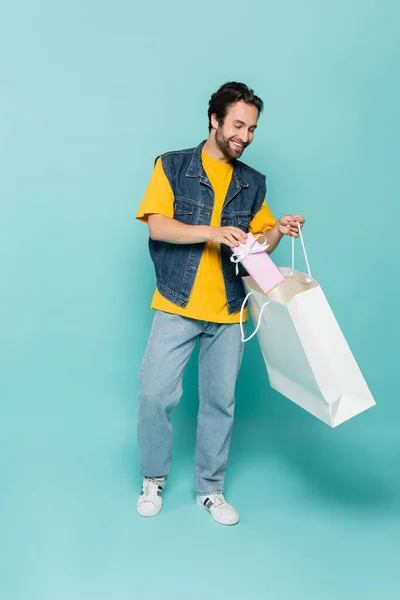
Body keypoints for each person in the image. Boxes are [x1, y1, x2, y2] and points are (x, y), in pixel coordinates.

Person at [135, 81, 305, 525]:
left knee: (219, 403)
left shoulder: (252, 182)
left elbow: (260, 243)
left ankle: (210, 489)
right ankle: (153, 477)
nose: (244, 136)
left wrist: (277, 230)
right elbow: (158, 227)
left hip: (230, 311)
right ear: (214, 119)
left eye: (251, 128)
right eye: (237, 125)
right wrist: (211, 232)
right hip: (178, 301)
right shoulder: (173, 166)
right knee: (155, 394)